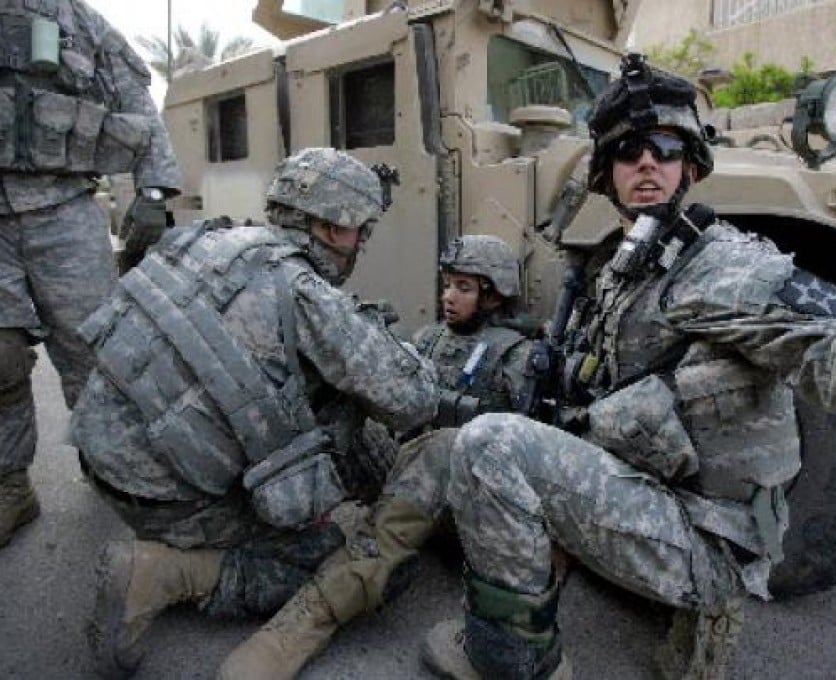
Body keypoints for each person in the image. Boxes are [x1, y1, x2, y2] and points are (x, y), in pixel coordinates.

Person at [421, 53, 836, 679]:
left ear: (690, 165)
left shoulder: (725, 269)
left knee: (492, 445)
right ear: (606, 173)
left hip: (710, 540)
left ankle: (513, 660)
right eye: (627, 150)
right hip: (667, 498)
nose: (646, 161)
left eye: (664, 146)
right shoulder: (628, 267)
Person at [69, 147, 439, 678]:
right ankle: (167, 572)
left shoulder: (205, 239)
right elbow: (413, 399)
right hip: (164, 503)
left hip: (99, 457)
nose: (362, 244)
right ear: (335, 231)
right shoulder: (308, 294)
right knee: (350, 556)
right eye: (363, 230)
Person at [217, 234, 534, 679]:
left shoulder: (516, 356)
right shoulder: (429, 339)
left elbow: (525, 453)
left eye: (463, 287)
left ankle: (336, 588)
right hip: (415, 473)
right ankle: (282, 533)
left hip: (469, 501)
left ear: (493, 294)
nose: (448, 296)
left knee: (445, 449)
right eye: (447, 284)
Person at [0, 0, 183, 547]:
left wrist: (153, 191)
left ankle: (108, 464)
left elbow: (133, 97)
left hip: (65, 210)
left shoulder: (75, 19)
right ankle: (11, 486)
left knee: (95, 349)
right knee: (0, 358)